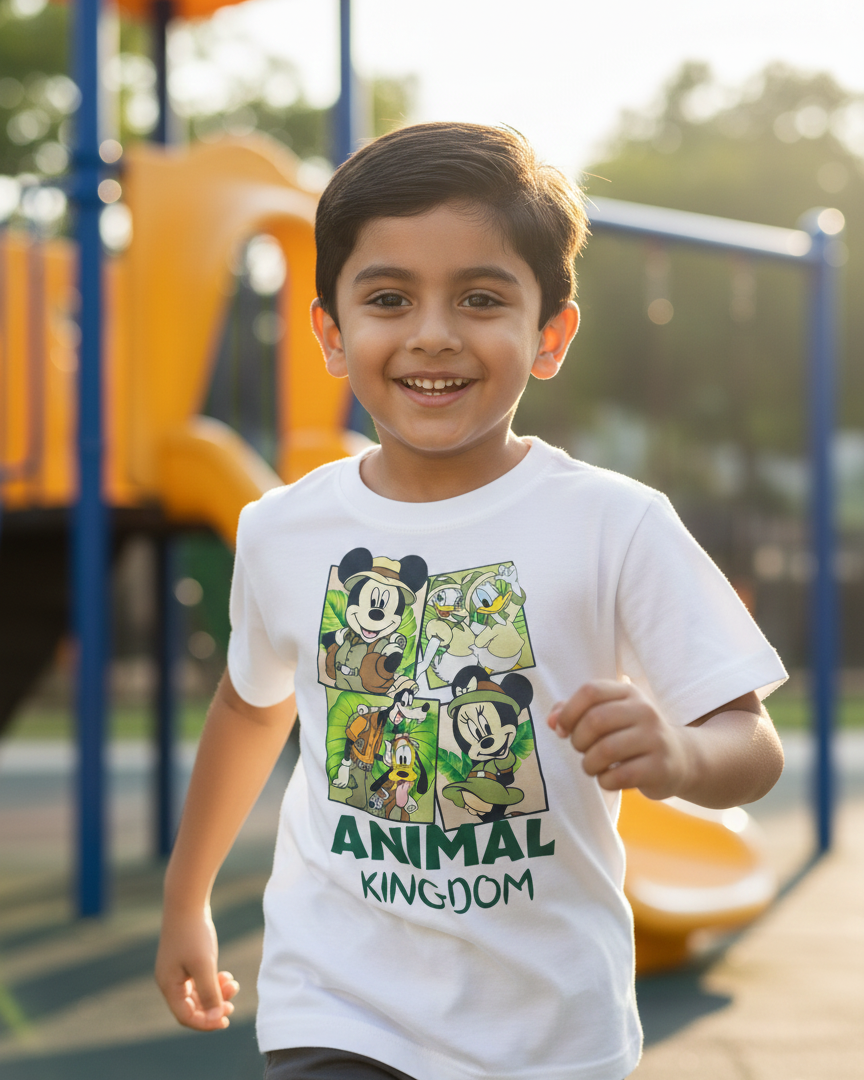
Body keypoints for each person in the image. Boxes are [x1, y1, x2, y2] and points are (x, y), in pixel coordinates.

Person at [155, 122, 786, 1080]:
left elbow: (751, 745)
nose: (433, 332)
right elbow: (251, 705)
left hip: (549, 1030)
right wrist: (186, 897)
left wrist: (682, 753)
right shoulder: (283, 529)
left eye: (481, 298)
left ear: (550, 335)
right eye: (389, 298)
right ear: (331, 331)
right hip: (337, 1002)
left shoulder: (614, 523)